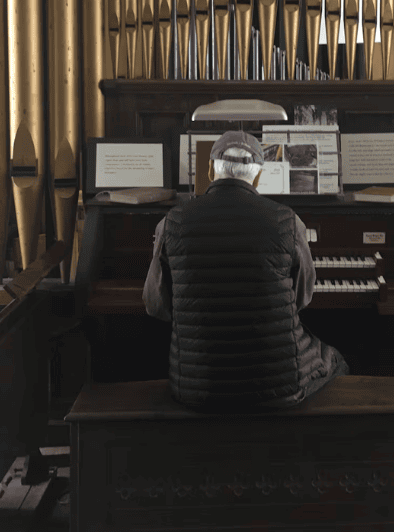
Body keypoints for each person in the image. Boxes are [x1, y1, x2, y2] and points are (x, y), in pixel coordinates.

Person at [142, 129, 349, 409]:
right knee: (335, 359)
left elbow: (155, 305)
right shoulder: (288, 220)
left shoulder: (171, 222)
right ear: (259, 175)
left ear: (211, 171)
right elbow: (302, 299)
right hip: (279, 385)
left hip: (195, 386)